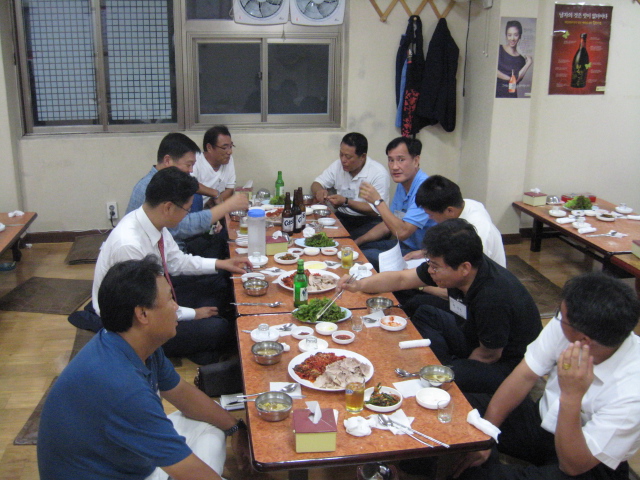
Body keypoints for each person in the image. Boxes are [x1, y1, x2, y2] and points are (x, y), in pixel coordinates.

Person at [39, 257, 250, 479]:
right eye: (170, 299)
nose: (176, 307)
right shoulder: (122, 387)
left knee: (210, 419)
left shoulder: (133, 342)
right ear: (142, 314)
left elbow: (182, 394)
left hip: (124, 461)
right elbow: (185, 468)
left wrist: (236, 428)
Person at [455, 272, 640, 480]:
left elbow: (573, 466)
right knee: (456, 407)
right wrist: (486, 433)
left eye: (560, 316)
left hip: (586, 460)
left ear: (584, 339)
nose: (557, 318)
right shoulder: (573, 324)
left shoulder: (632, 392)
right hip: (542, 421)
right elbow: (525, 375)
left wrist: (571, 396)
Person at [339, 218, 541, 394]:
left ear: (464, 268)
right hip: (472, 334)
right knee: (426, 312)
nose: (430, 270)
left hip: (509, 364)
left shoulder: (493, 297)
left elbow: (489, 354)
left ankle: (451, 374)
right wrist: (359, 285)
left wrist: (454, 371)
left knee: (446, 377)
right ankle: (443, 363)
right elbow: (402, 279)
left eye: (435, 266)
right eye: (430, 263)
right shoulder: (458, 265)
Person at [93, 167, 250, 365]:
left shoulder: (153, 222)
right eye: (187, 209)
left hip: (155, 297)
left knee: (220, 288)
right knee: (220, 328)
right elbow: (143, 310)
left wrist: (222, 264)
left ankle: (202, 348)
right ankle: (197, 347)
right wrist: (193, 314)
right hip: (133, 325)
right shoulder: (129, 246)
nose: (186, 215)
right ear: (168, 207)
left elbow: (176, 261)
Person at [126, 132, 248, 258]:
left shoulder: (167, 181)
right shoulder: (153, 187)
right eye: (188, 165)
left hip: (174, 248)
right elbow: (181, 227)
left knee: (221, 243)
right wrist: (227, 206)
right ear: (167, 160)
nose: (191, 171)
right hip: (163, 257)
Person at [400, 175, 507, 315]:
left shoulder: (477, 234)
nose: (430, 219)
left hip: (475, 299)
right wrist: (424, 252)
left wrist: (421, 287)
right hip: (460, 280)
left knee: (415, 300)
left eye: (431, 215)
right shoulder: (466, 205)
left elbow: (460, 288)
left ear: (449, 211)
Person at [356, 137, 436, 271]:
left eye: (401, 160)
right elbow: (388, 224)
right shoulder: (403, 183)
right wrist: (357, 241)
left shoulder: (426, 188)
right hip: (403, 246)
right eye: (391, 160)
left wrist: (377, 201)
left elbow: (403, 232)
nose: (394, 167)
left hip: (422, 253)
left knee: (363, 256)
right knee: (358, 248)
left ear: (416, 161)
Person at [311, 132, 390, 239]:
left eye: (348, 157)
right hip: (343, 216)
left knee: (344, 240)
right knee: (318, 233)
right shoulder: (338, 165)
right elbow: (317, 183)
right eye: (341, 154)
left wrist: (346, 201)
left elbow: (377, 210)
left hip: (369, 221)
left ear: (362, 157)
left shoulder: (378, 173)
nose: (343, 160)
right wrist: (319, 191)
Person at [193, 125, 237, 206]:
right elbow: (190, 185)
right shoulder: (194, 161)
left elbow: (230, 189)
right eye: (224, 148)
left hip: (215, 207)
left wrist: (212, 204)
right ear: (209, 147)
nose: (230, 152)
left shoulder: (229, 159)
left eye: (230, 146)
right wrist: (214, 193)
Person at [496, 20, 533, 98]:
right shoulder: (498, 49)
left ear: (520, 36)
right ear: (506, 36)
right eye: (509, 35)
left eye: (515, 35)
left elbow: (516, 81)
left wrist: (528, 63)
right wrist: (509, 78)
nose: (512, 38)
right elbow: (492, 70)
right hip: (496, 94)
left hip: (510, 96)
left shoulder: (521, 60)